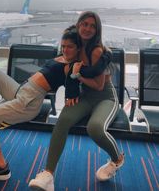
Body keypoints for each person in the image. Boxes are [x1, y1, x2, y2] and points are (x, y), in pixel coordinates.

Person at [0, 25, 111, 181]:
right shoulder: (62, 57)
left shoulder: (73, 66)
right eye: (63, 46)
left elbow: (74, 88)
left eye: (70, 47)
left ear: (79, 49)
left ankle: (1, 167)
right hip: (22, 89)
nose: (65, 50)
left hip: (28, 102)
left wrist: (77, 77)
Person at [29, 11, 124, 191]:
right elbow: (65, 61)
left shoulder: (96, 51)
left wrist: (77, 75)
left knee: (94, 128)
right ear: (78, 25)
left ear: (97, 30)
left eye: (92, 25)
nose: (87, 28)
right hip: (85, 97)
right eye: (84, 24)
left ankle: (117, 159)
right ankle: (48, 175)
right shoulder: (75, 45)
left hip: (105, 97)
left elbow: (97, 85)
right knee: (62, 121)